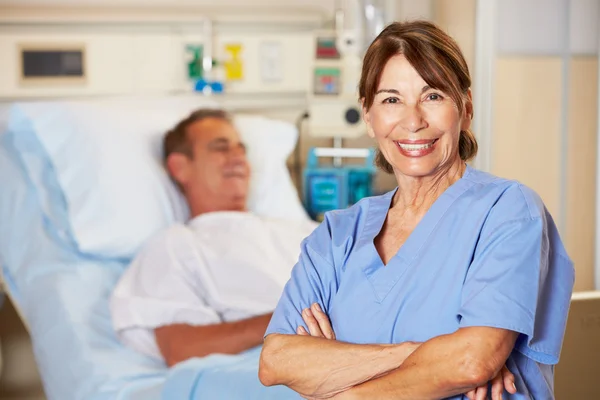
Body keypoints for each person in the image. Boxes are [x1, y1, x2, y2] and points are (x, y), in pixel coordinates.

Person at [259, 20, 574, 400]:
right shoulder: (336, 236)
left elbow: (471, 362)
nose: (413, 121)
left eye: (433, 96)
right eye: (391, 100)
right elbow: (275, 361)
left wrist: (345, 387)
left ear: (466, 108)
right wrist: (417, 354)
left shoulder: (507, 211)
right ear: (368, 115)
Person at [110, 109, 317, 367]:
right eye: (221, 149)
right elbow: (181, 348)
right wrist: (289, 317)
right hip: (271, 366)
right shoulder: (175, 245)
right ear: (180, 167)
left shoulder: (302, 232)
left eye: (242, 150)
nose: (239, 158)